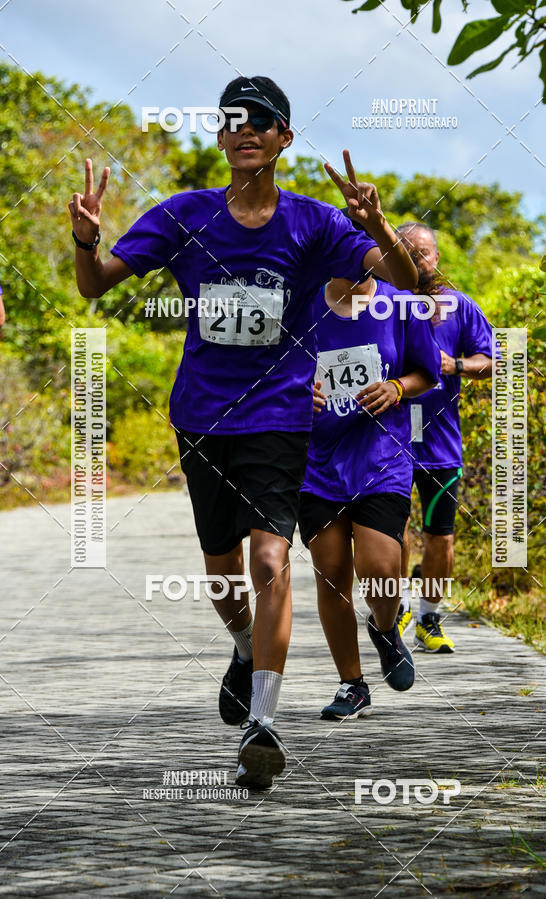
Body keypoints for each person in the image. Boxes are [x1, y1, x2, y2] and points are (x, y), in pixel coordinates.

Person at [69, 75, 418, 789]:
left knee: (270, 564)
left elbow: (407, 279)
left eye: (262, 120)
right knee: (225, 575)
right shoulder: (183, 216)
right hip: (202, 417)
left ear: (284, 137)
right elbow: (95, 284)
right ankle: (239, 646)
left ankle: (263, 721)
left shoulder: (316, 224)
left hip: (281, 418)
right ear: (221, 136)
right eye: (234, 121)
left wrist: (378, 226)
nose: (247, 130)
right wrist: (85, 241)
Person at [299, 228, 440, 719]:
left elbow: (427, 373)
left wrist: (398, 389)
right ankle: (352, 684)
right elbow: (270, 370)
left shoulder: (401, 304)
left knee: (381, 570)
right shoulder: (302, 303)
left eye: (368, 252)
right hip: (314, 463)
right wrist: (298, 393)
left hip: (382, 456)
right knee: (331, 573)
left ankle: (384, 626)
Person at [394, 222, 494, 653]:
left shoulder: (459, 306)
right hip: (389, 441)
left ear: (437, 257)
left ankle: (429, 617)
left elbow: (491, 359)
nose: (418, 259)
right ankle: (396, 607)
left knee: (441, 536)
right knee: (391, 532)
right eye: (407, 252)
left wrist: (455, 365)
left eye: (424, 252)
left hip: (439, 444)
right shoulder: (382, 305)